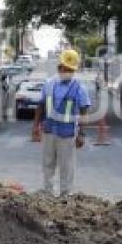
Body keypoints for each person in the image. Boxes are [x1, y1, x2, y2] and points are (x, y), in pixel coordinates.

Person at [32, 49, 91, 197]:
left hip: (67, 133)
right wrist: (35, 127)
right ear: (60, 68)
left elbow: (84, 112)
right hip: (49, 131)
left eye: (72, 70)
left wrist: (82, 134)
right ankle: (47, 192)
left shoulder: (79, 88)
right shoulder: (49, 84)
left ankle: (66, 194)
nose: (69, 72)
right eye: (66, 68)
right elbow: (41, 106)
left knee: (67, 167)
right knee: (48, 164)